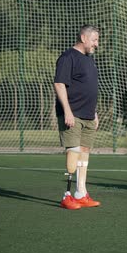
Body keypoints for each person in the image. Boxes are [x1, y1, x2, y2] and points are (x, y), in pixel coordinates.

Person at [54, 25, 101, 210]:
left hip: (88, 115)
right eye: (94, 40)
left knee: (84, 153)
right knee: (73, 153)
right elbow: (59, 84)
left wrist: (94, 112)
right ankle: (66, 195)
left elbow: (88, 88)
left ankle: (81, 193)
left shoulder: (89, 60)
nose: (96, 44)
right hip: (72, 115)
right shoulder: (68, 57)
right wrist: (67, 111)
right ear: (83, 38)